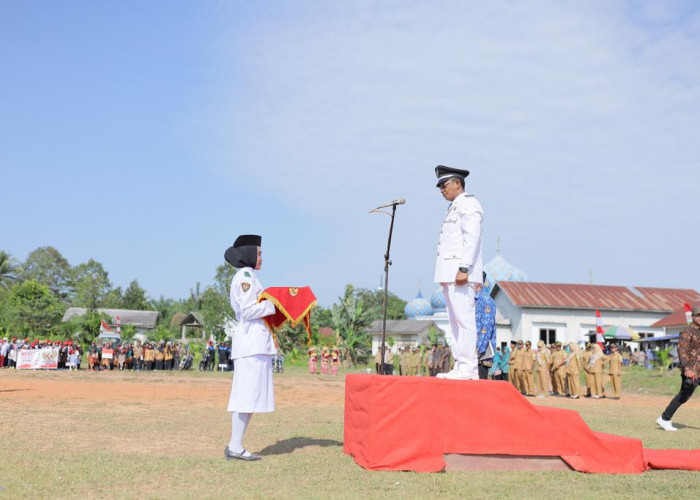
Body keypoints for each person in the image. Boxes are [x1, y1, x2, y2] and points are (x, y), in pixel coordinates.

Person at [224, 234, 277, 461]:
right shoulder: (245, 277)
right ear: (249, 254)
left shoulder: (249, 277)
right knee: (247, 397)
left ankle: (235, 445)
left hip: (254, 343)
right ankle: (235, 447)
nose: (262, 257)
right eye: (259, 253)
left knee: (249, 397)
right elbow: (247, 310)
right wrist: (273, 305)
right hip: (250, 344)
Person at [434, 165, 483, 380]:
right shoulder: (453, 207)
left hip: (461, 274)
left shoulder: (469, 204)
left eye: (444, 185)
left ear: (457, 183)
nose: (442, 190)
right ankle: (461, 364)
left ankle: (469, 367)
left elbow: (472, 238)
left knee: (464, 320)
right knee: (454, 322)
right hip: (449, 275)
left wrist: (464, 268)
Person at [657, 306, 700, 431]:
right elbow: (682, 350)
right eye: (698, 315)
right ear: (693, 316)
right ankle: (664, 418)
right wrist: (687, 368)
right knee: (683, 396)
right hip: (692, 370)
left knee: (684, 395)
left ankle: (664, 418)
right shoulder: (687, 331)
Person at [475, 273, 497, 380]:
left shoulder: (486, 300)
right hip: (472, 352)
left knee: (479, 386)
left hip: (482, 354)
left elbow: (486, 328)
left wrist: (478, 349)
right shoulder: (473, 300)